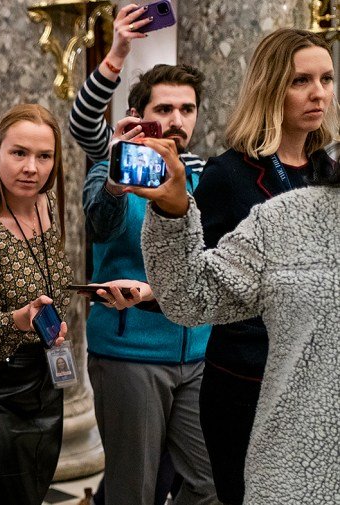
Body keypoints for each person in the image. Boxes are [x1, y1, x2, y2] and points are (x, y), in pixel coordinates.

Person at [132, 126, 339, 503]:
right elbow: (190, 292)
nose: (318, 97)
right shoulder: (283, 211)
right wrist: (172, 209)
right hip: (269, 419)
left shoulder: (320, 170)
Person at [68, 4, 218, 505]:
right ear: (139, 116)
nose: (177, 120)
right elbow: (100, 221)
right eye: (164, 109)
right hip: (130, 353)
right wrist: (114, 181)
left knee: (209, 485)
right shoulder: (112, 169)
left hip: (196, 353)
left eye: (187, 110)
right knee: (133, 489)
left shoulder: (204, 175)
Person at [189, 28, 338, 505]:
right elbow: (200, 278)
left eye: (327, 79)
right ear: (270, 86)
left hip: (321, 380)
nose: (319, 93)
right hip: (247, 380)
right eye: (301, 81)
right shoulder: (228, 175)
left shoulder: (330, 172)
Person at [0, 103, 72, 504]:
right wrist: (19, 320)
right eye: (19, 153)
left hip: (47, 380)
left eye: (44, 156)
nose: (31, 168)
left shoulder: (47, 207)